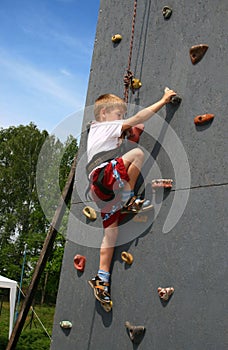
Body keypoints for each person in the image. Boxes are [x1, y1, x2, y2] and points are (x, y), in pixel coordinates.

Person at [87, 89, 176, 306]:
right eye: (119, 114)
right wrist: (163, 100)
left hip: (100, 189)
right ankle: (127, 198)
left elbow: (129, 130)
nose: (121, 119)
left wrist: (129, 132)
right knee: (137, 154)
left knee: (111, 233)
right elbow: (137, 119)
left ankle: (102, 279)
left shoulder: (98, 131)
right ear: (105, 113)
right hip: (104, 175)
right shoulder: (107, 126)